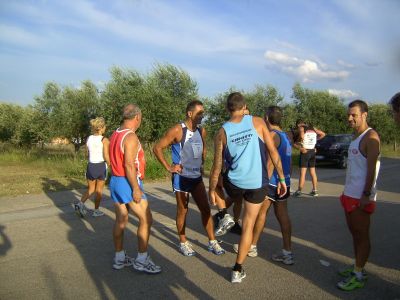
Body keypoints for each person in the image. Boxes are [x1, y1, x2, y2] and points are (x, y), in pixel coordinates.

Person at [209, 92, 287, 283]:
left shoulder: (222, 132)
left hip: (235, 183)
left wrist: (212, 190)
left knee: (219, 187)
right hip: (257, 184)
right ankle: (237, 270)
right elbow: (273, 152)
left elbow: (217, 167)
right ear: (244, 107)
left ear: (228, 109)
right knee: (248, 225)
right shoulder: (258, 122)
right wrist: (282, 179)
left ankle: (223, 214)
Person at [153, 100, 225, 256]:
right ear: (189, 113)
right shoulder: (178, 130)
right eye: (199, 113)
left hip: (196, 177)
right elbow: (157, 147)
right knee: (183, 211)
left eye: (203, 113)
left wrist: (202, 162)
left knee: (205, 209)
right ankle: (183, 242)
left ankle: (212, 241)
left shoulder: (201, 130)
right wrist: (168, 167)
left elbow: (202, 148)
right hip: (182, 178)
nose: (202, 116)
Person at [233, 106, 294, 264]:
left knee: (259, 214)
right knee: (283, 217)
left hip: (271, 182)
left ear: (266, 118)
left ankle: (252, 246)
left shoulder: (272, 135)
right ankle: (287, 252)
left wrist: (262, 183)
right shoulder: (286, 136)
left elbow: (271, 162)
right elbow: (289, 161)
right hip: (284, 182)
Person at [109, 104, 161, 274]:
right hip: (127, 181)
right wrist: (135, 189)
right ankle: (142, 260)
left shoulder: (115, 134)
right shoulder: (130, 137)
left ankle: (119, 258)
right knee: (146, 219)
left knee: (121, 220)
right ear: (137, 117)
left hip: (116, 180)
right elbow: (129, 165)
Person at [337, 100, 380, 291]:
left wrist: (366, 194)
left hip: (360, 197)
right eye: (349, 114)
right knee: (355, 235)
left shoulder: (371, 137)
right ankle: (357, 266)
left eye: (354, 114)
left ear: (364, 115)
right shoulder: (357, 136)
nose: (350, 118)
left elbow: (372, 170)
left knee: (362, 236)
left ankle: (359, 274)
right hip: (350, 194)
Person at [74, 117, 110, 217]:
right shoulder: (104, 140)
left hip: (90, 165)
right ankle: (96, 210)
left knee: (90, 189)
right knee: (99, 191)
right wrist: (111, 165)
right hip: (100, 166)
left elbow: (87, 153)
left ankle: (80, 204)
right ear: (102, 128)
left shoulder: (89, 138)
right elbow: (106, 155)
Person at [293, 120, 325, 197]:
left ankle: (299, 191)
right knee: (313, 172)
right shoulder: (313, 128)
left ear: (299, 124)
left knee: (303, 173)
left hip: (305, 151)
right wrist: (314, 140)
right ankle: (315, 190)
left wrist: (300, 142)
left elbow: (302, 136)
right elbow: (323, 134)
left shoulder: (301, 128)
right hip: (312, 151)